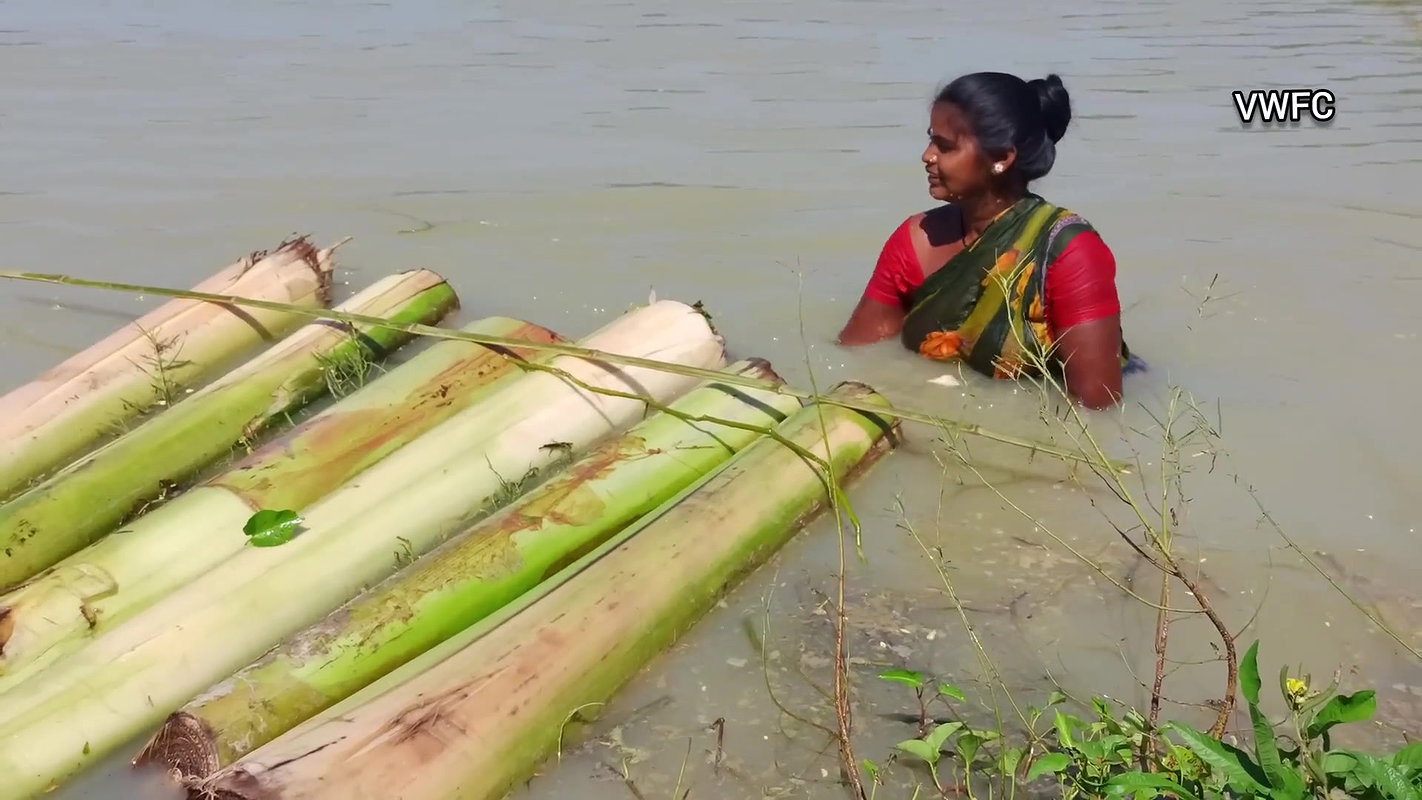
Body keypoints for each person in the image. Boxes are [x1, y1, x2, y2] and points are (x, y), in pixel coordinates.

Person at [836, 71, 1131, 410]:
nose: (927, 156)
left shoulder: (1069, 251)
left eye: (945, 146)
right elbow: (858, 353)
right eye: (932, 140)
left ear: (1002, 159)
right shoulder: (916, 240)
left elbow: (1098, 407)